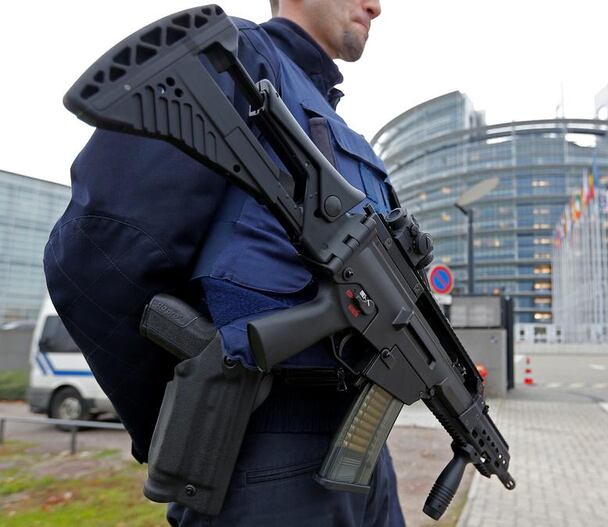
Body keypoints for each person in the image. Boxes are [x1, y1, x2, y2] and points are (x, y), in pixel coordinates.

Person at [45, 1, 405, 525]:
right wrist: (200, 411)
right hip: (270, 463)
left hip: (364, 460)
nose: (377, 4)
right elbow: (101, 251)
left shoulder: (334, 121)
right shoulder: (233, 58)